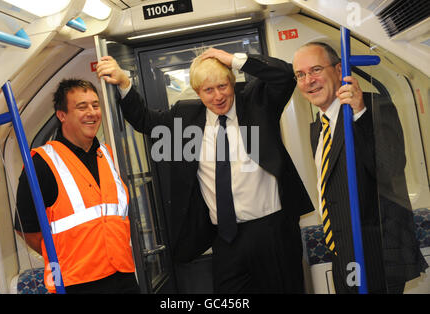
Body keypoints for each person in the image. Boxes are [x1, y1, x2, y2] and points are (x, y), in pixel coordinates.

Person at [96, 48, 313, 293]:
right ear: (198, 92)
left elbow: (284, 75)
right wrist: (124, 83)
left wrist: (233, 60)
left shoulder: (256, 103)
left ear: (232, 83)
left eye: (223, 86)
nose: (218, 96)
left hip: (272, 232)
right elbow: (145, 120)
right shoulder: (186, 116)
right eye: (208, 90)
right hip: (226, 239)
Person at [292, 42, 428, 293]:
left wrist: (359, 113)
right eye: (300, 74)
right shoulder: (317, 128)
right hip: (341, 251)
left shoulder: (375, 107)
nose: (308, 80)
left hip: (376, 252)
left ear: (339, 69)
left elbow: (391, 168)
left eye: (316, 70)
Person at [14, 79, 139, 294]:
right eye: (82, 107)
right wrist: (63, 254)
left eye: (95, 105)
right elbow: (27, 230)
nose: (92, 112)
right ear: (62, 115)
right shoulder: (41, 164)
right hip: (77, 284)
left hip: (124, 277)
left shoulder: (107, 155)